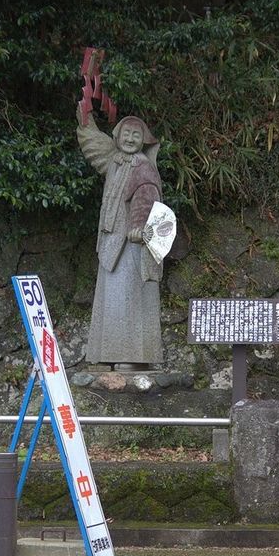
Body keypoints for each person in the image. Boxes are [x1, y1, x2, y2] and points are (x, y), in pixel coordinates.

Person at [77, 109, 164, 368]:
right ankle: (106, 354)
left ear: (144, 140)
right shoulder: (114, 161)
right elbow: (93, 144)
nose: (130, 138)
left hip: (134, 243)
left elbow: (148, 196)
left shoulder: (144, 166)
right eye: (126, 133)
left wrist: (138, 226)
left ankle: (134, 357)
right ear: (117, 137)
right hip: (111, 239)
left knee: (132, 296)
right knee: (109, 296)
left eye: (136, 135)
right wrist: (85, 117)